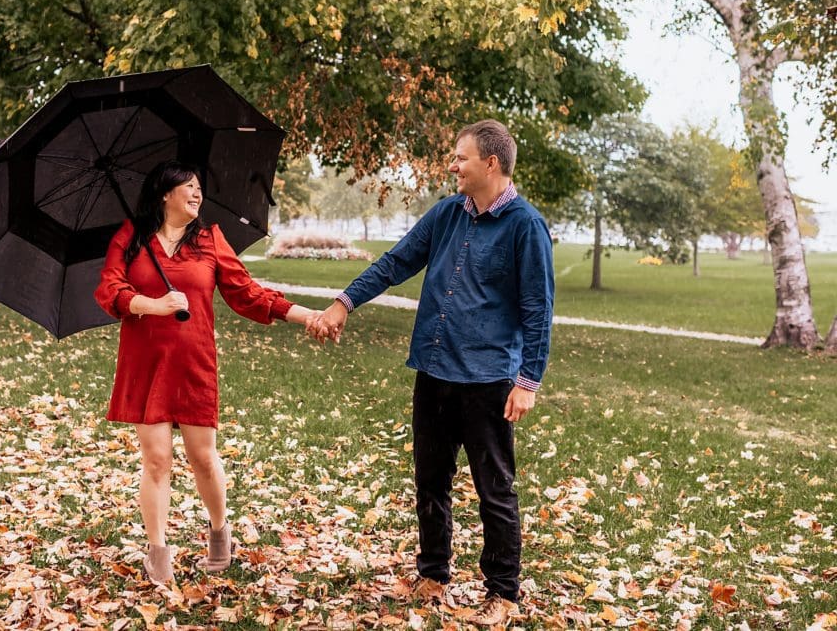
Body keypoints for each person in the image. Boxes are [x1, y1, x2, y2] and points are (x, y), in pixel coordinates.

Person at [309, 120, 554, 613]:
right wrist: (344, 302)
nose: (452, 166)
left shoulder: (525, 226)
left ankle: (503, 592)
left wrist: (527, 381)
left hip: (488, 380)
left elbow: (537, 308)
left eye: (460, 158)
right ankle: (433, 576)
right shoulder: (446, 214)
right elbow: (395, 262)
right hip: (435, 371)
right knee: (431, 483)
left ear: (491, 163)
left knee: (494, 491)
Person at [94, 160, 319, 585]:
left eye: (199, 188)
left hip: (194, 361)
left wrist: (303, 315)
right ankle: (158, 554)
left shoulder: (210, 239)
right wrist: (151, 304)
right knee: (157, 460)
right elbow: (110, 287)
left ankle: (219, 533)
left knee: (203, 458)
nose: (197, 194)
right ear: (165, 194)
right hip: (145, 362)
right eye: (189, 187)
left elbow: (246, 293)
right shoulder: (130, 237)